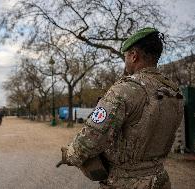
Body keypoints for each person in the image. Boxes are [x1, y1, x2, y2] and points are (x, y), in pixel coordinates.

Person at [58, 28, 184, 189]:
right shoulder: (174, 92)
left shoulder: (125, 90)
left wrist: (69, 155)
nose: (125, 60)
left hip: (126, 183)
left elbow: (90, 139)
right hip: (160, 180)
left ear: (133, 55)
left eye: (126, 56)